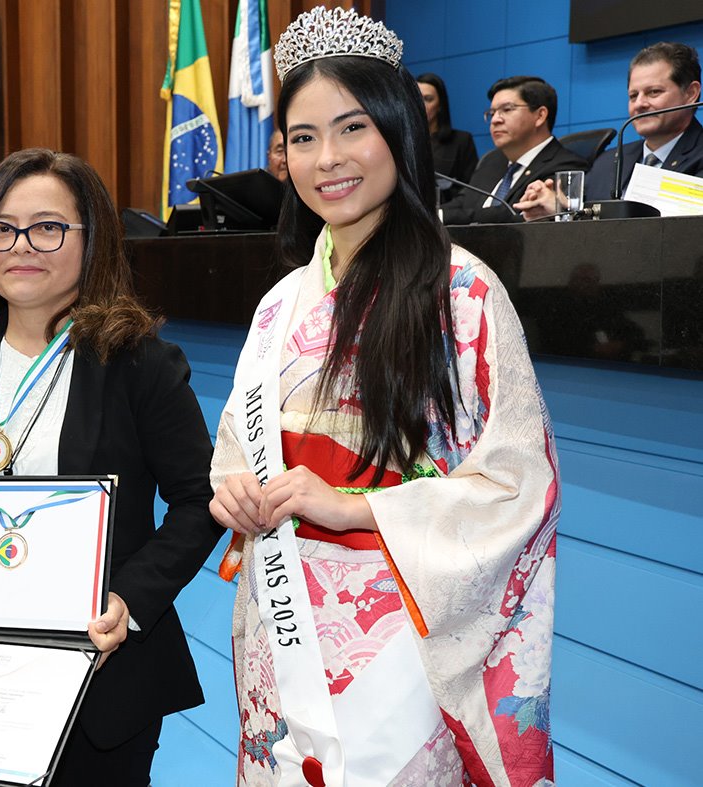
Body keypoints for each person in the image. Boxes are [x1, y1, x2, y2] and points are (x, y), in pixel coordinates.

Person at [210, 7, 559, 786]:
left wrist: (353, 507)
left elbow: (517, 486)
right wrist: (232, 491)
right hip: (283, 617)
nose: (327, 158)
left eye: (351, 128)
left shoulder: (462, 293)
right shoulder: (278, 305)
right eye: (303, 137)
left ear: (398, 132)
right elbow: (238, 449)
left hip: (402, 629)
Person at [0, 148, 224, 785]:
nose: (21, 246)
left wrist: (128, 600)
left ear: (93, 240)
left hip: (97, 672)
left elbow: (201, 500)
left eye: (49, 227)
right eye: (2, 229)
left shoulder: (137, 360)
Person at [517, 42, 703, 220]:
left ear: (691, 93)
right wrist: (555, 211)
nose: (639, 104)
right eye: (633, 96)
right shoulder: (607, 162)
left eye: (654, 92)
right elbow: (584, 223)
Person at [439, 74, 586, 224]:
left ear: (540, 116)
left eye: (507, 109)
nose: (495, 120)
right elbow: (462, 203)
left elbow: (517, 216)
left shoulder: (565, 166)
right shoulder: (491, 161)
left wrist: (445, 217)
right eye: (492, 113)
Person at [416, 72, 478, 198]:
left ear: (440, 105)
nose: (420, 104)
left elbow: (470, 190)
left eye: (428, 99)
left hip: (446, 208)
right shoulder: (401, 141)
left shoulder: (461, 140)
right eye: (416, 98)